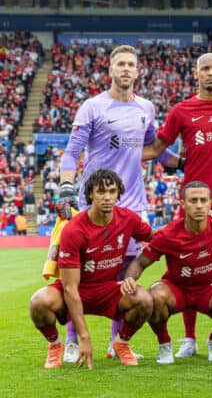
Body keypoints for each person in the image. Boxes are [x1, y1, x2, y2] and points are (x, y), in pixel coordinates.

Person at [55, 45, 182, 363]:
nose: (126, 69)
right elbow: (72, 152)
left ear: (138, 71)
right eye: (120, 64)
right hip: (93, 203)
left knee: (126, 274)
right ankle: (72, 341)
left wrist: (183, 163)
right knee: (82, 274)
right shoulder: (92, 107)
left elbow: (153, 149)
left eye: (131, 64)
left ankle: (116, 342)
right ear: (110, 70)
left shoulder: (146, 108)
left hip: (133, 204)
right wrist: (67, 187)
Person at [143, 52, 212, 358]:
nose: (210, 74)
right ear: (196, 75)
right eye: (204, 69)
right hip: (193, 200)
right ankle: (190, 339)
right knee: (187, 268)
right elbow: (157, 147)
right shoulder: (182, 110)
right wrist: (123, 155)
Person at [29, 169, 154, 369]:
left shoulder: (128, 218)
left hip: (109, 289)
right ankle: (55, 345)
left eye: (112, 191)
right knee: (39, 302)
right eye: (101, 192)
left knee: (145, 299)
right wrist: (84, 337)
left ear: (118, 193)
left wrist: (187, 227)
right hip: (78, 289)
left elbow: (154, 238)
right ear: (90, 194)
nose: (107, 197)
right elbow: (70, 288)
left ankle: (121, 344)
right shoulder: (74, 229)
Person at [124, 182, 212, 364]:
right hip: (176, 288)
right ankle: (164, 344)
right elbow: (140, 262)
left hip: (208, 289)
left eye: (203, 200)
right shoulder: (168, 234)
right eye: (193, 200)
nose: (199, 205)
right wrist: (129, 279)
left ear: (210, 203)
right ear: (182, 204)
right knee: (154, 297)